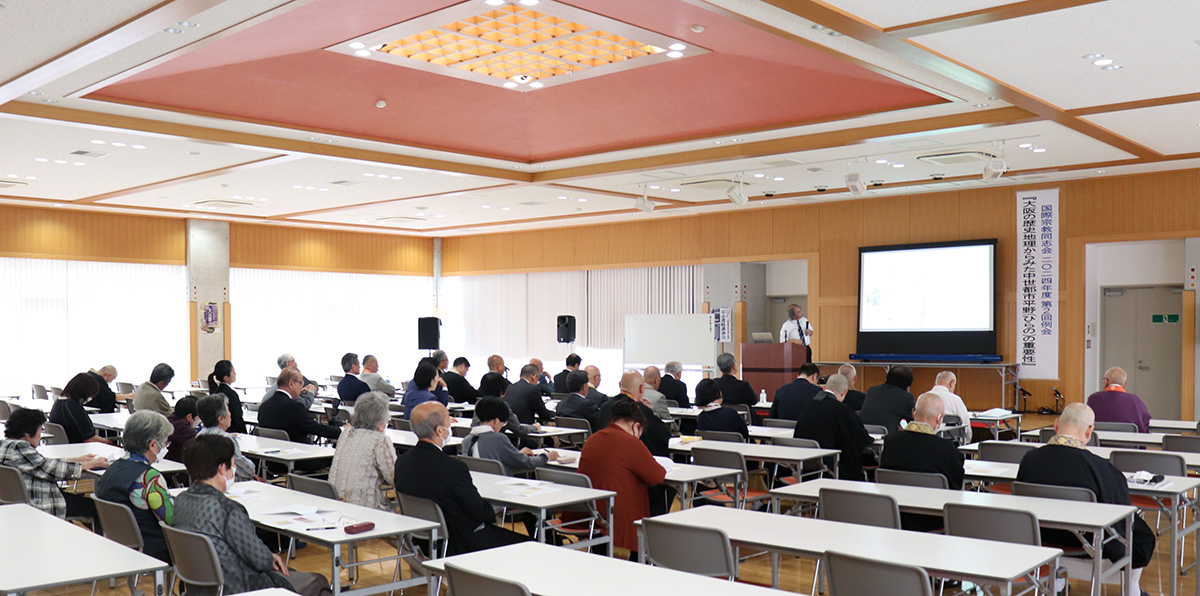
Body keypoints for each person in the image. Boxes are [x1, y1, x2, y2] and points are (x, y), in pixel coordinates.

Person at [1016, 403, 1156, 595]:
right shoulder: (1101, 469)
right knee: (1139, 532)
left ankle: (1055, 583)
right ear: (1090, 431)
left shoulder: (1029, 461)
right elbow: (1120, 514)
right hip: (1086, 543)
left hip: (1042, 536)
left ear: (1056, 425)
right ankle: (1132, 589)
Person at [175, 434, 330, 596]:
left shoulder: (181, 501)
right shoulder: (228, 510)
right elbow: (261, 561)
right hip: (240, 586)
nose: (234, 469)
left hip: (199, 588)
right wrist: (269, 557)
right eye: (234, 464)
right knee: (318, 582)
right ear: (222, 468)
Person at [393, 402, 530, 555]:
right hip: (461, 542)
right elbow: (479, 511)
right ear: (439, 431)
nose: (451, 424)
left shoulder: (401, 462)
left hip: (422, 540)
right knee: (532, 545)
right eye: (448, 422)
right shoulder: (452, 467)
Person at [578, 398, 667, 560]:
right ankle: (648, 554)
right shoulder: (630, 442)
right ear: (636, 426)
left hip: (591, 509)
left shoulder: (593, 438)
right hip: (618, 513)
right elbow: (657, 476)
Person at [94, 410, 176, 562]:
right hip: (153, 548)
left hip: (119, 541)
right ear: (152, 445)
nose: (165, 446)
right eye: (164, 442)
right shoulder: (150, 478)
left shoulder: (112, 468)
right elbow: (172, 520)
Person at [0, 408, 106, 519]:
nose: (40, 436)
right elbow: (52, 470)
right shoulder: (20, 447)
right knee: (99, 508)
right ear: (27, 433)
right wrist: (89, 465)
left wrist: (74, 460)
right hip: (40, 502)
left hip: (16, 502)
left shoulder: (4, 445)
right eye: (40, 431)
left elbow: (41, 463)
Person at [793, 374, 873, 481]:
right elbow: (860, 438)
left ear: (825, 388)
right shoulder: (842, 410)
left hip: (805, 468)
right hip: (831, 469)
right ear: (844, 393)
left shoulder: (808, 405)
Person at [880, 392, 965, 490]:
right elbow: (956, 487)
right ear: (939, 418)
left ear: (913, 413)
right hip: (935, 503)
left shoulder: (890, 442)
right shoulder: (948, 449)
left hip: (897, 502)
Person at [329, 392, 396, 511]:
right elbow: (395, 478)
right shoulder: (380, 440)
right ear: (381, 419)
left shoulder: (346, 434)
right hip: (364, 509)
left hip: (334, 502)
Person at [463, 397, 559, 475]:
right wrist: (546, 456)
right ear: (496, 421)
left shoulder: (467, 440)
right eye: (503, 423)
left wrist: (516, 454)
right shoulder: (499, 438)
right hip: (501, 486)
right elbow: (524, 463)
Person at [257, 368, 343, 444]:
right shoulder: (295, 407)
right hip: (299, 457)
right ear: (291, 384)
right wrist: (342, 430)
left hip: (271, 459)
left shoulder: (264, 406)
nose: (301, 387)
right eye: (300, 383)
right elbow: (316, 429)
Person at [196, 394, 257, 481]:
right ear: (220, 419)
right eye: (228, 410)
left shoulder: (198, 436)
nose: (230, 414)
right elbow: (245, 471)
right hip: (231, 483)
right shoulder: (226, 440)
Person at [50, 372, 114, 445]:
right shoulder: (74, 408)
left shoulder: (58, 403)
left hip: (63, 448)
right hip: (78, 448)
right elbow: (90, 439)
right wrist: (108, 441)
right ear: (84, 392)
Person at [1087, 366, 1152, 433]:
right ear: (1125, 384)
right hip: (1128, 442)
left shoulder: (1093, 399)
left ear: (1106, 381)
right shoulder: (1135, 401)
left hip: (1098, 442)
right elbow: (1145, 422)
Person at [860, 365, 916, 434]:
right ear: (907, 386)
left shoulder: (871, 390)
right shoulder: (906, 398)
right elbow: (913, 422)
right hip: (887, 438)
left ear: (886, 378)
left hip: (863, 433)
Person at [928, 371, 972, 442]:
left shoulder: (923, 398)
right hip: (951, 443)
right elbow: (966, 426)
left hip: (927, 441)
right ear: (951, 383)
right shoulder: (955, 400)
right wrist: (967, 442)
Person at [207, 360, 247, 434]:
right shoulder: (231, 394)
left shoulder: (216, 391)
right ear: (226, 378)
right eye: (233, 372)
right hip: (232, 432)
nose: (235, 374)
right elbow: (237, 418)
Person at [165, 395, 199, 462]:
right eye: (199, 416)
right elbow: (201, 445)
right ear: (189, 417)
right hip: (176, 465)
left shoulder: (168, 420)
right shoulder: (183, 429)